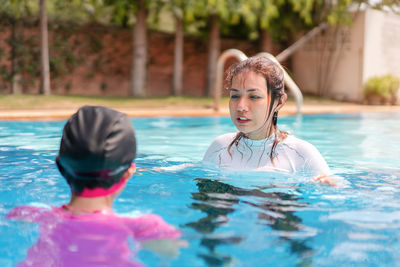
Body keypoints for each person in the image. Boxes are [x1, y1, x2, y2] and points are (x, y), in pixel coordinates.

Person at [6, 106, 184, 267]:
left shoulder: (25, 214)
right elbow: (172, 253)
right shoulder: (147, 227)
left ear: (60, 167)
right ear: (128, 173)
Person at [203, 56, 336, 186]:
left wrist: (327, 186)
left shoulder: (301, 154)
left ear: (279, 102)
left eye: (254, 96)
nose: (241, 106)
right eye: (235, 96)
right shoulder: (219, 148)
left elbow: (333, 195)